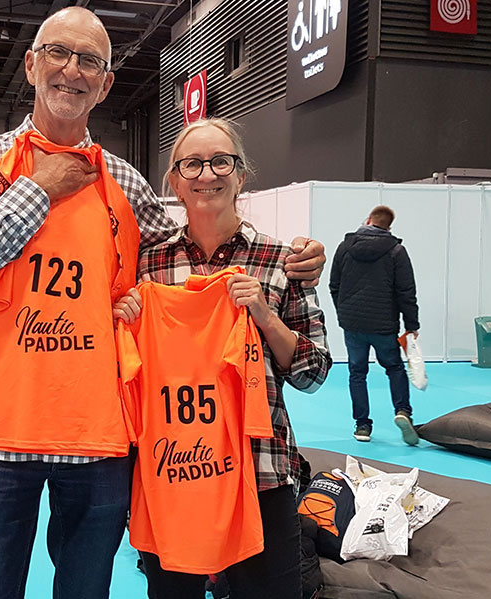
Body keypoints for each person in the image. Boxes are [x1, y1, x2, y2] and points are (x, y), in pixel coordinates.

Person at [0, 9, 327, 598]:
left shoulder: (127, 185)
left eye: (90, 60)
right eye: (59, 53)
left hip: (102, 438)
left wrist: (291, 261)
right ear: (32, 63)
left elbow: (198, 236)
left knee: (87, 590)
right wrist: (39, 189)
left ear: (107, 81)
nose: (72, 70)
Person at [113, 117, 331, 599]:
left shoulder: (280, 260)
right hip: (176, 472)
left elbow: (314, 373)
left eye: (220, 161)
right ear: (174, 180)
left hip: (262, 470)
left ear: (241, 173)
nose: (206, 174)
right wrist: (122, 316)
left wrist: (264, 317)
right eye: (191, 163)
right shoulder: (147, 263)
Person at [329, 205, 420, 445]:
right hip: (383, 324)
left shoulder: (345, 247)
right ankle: (403, 411)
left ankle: (362, 426)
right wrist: (412, 325)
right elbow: (406, 291)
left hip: (353, 323)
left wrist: (344, 313)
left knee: (357, 373)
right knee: (394, 368)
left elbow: (334, 284)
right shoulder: (397, 251)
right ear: (388, 226)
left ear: (368, 219)